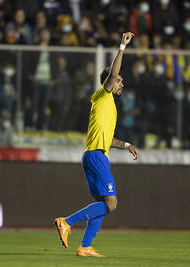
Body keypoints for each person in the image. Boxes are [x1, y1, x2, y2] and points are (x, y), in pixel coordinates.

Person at [54, 32, 140, 257]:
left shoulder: (108, 106)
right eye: (119, 80)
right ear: (110, 81)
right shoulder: (104, 94)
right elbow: (112, 74)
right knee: (111, 204)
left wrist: (127, 144)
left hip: (95, 154)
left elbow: (109, 139)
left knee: (103, 204)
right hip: (95, 157)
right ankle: (67, 221)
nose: (122, 83)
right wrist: (122, 46)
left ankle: (85, 246)